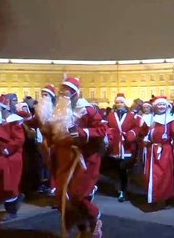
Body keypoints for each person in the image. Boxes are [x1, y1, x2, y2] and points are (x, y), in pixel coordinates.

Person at [49, 77, 105, 238]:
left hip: (84, 158)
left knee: (78, 195)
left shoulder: (87, 110)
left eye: (67, 92)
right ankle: (82, 229)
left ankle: (95, 219)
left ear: (74, 94)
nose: (63, 95)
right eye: (61, 92)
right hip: (63, 157)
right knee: (63, 196)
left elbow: (102, 129)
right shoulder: (58, 110)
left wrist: (83, 133)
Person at [142, 96, 174, 207]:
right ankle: (153, 196)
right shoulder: (150, 119)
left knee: (163, 176)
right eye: (159, 105)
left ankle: (162, 198)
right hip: (151, 150)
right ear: (155, 107)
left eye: (163, 105)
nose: (161, 107)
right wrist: (145, 139)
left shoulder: (171, 121)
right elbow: (142, 133)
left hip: (165, 151)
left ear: (166, 106)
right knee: (151, 175)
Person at [106, 93, 140, 202]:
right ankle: (121, 189)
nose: (119, 104)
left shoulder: (131, 115)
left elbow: (136, 127)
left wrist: (132, 134)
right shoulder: (110, 116)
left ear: (124, 103)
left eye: (121, 102)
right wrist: (110, 132)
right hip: (115, 146)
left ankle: (123, 190)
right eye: (117, 102)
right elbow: (107, 127)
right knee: (117, 170)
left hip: (127, 146)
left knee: (123, 169)